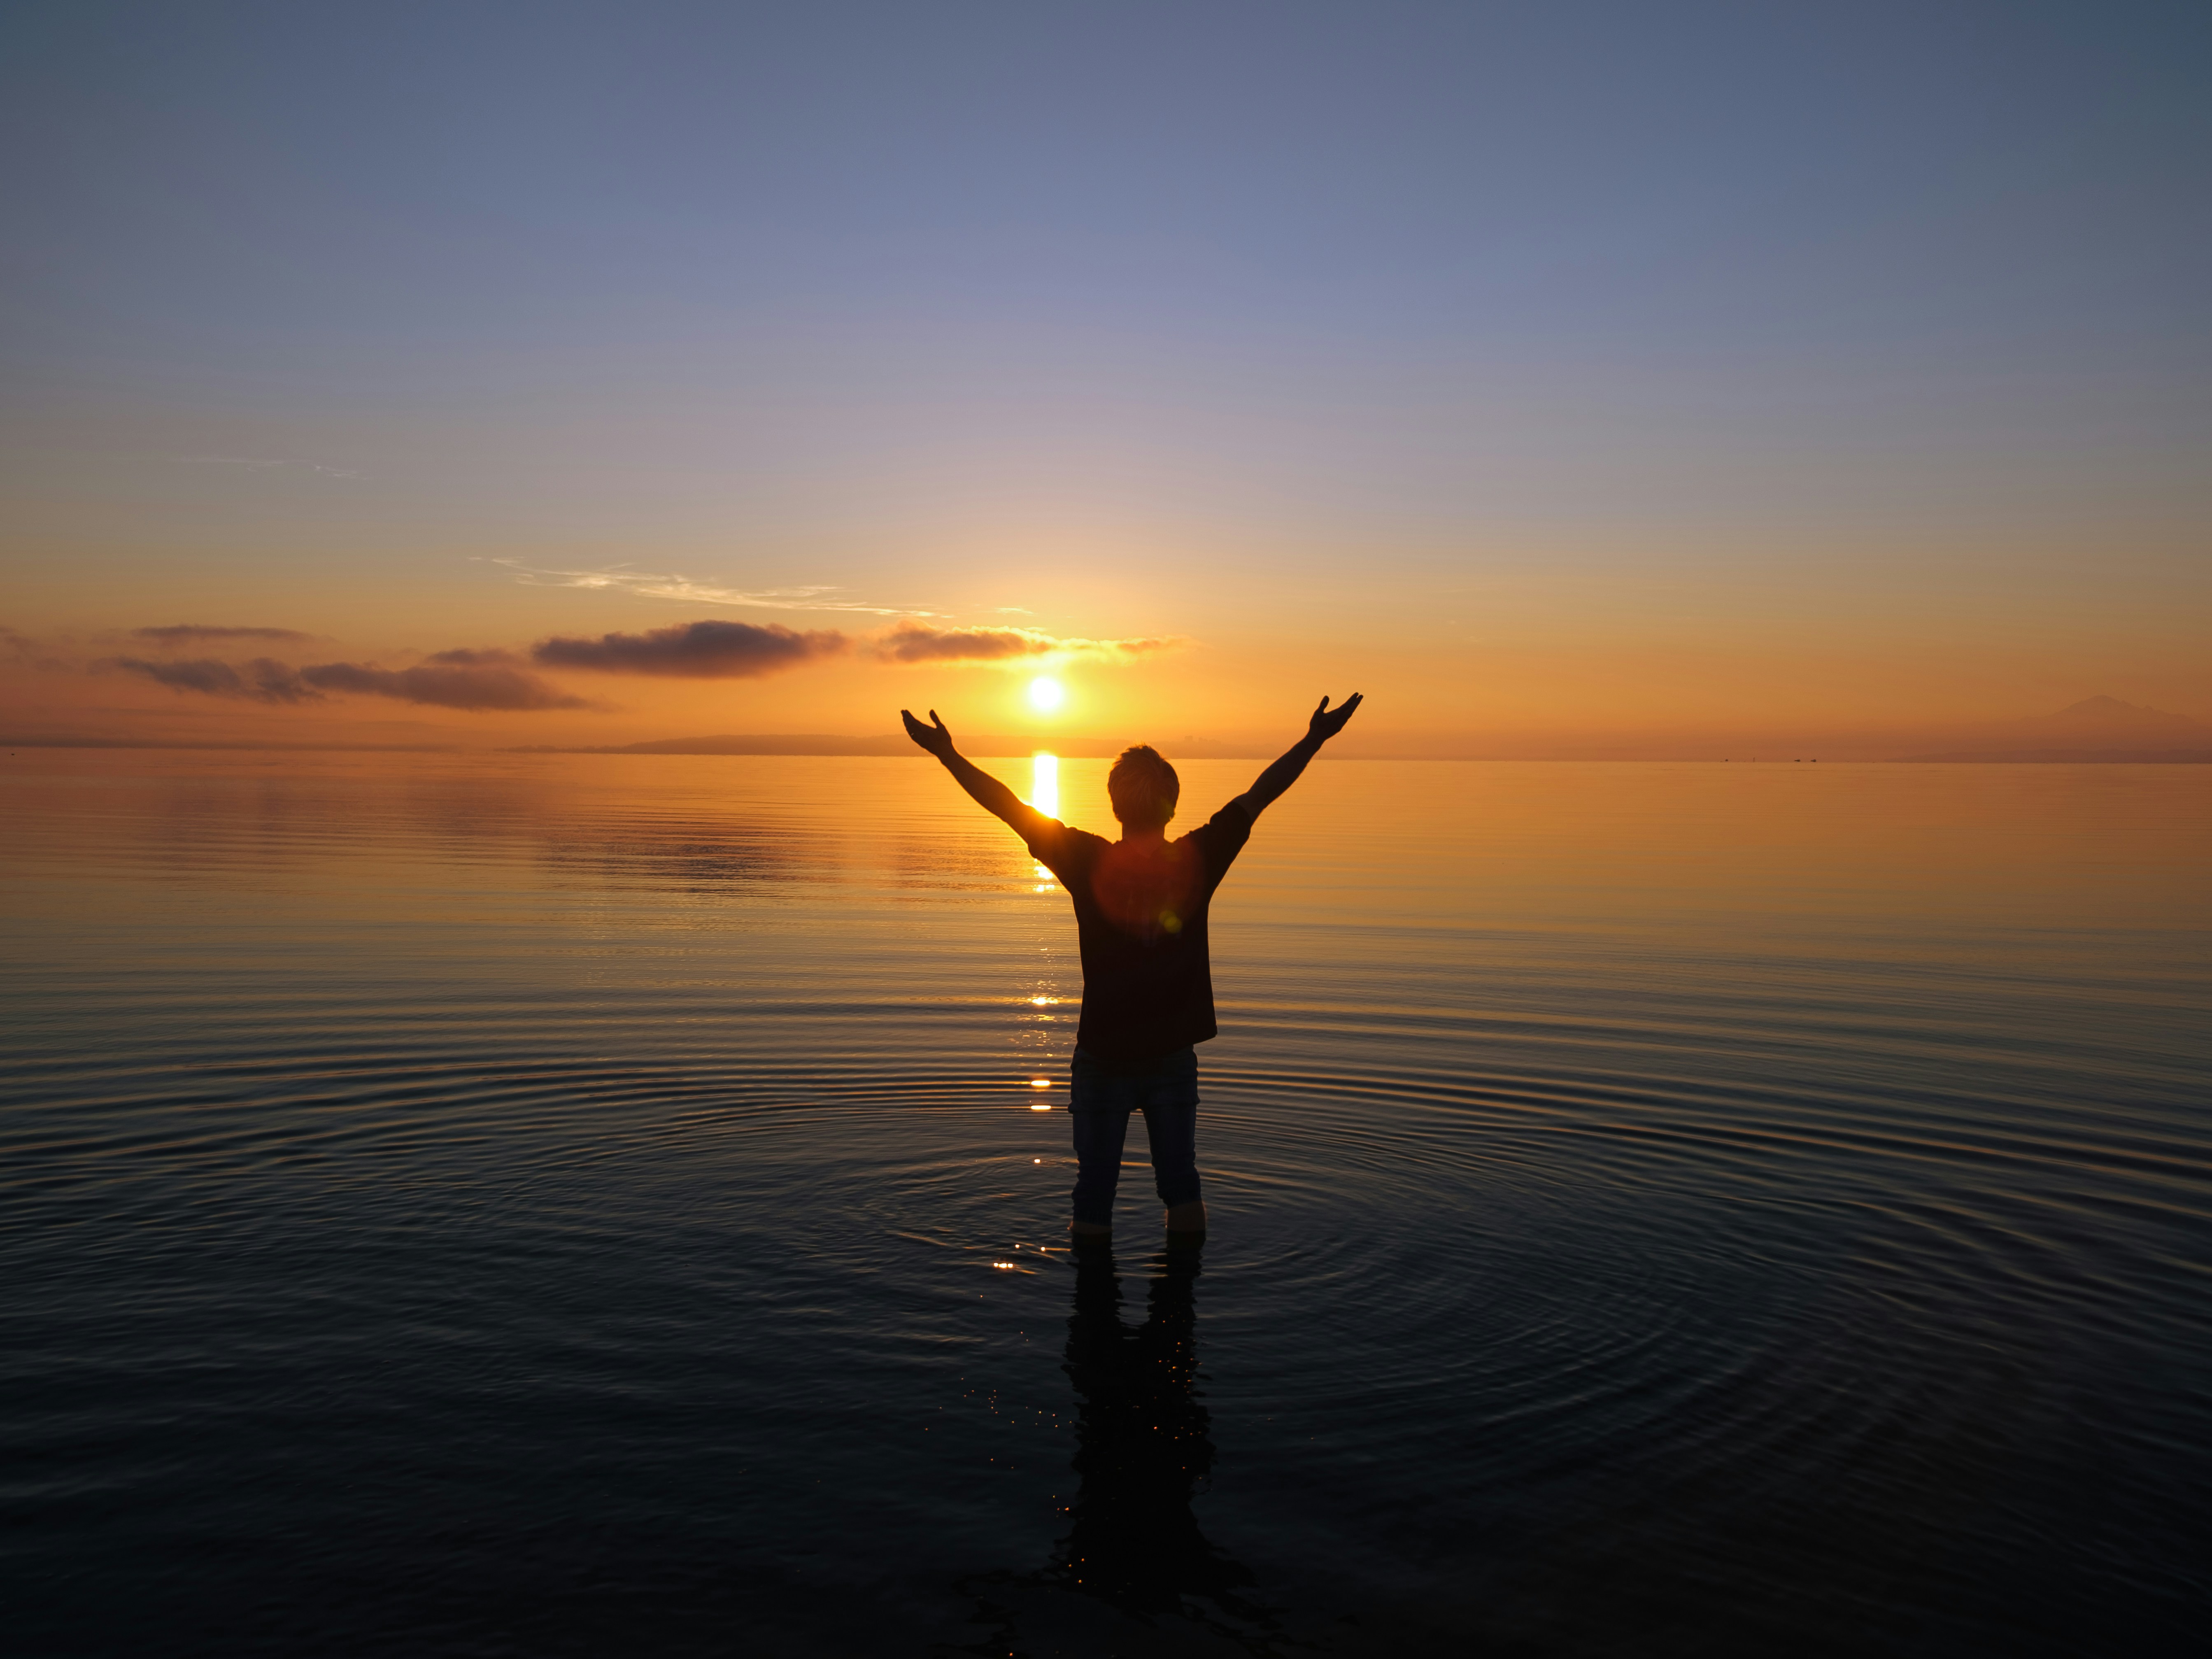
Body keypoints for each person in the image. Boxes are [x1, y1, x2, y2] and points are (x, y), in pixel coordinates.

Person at [900, 693, 1363, 1241]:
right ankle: (1180, 1308)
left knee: (1093, 1193)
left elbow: (1006, 804)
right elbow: (1259, 793)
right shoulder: (1199, 857)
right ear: (1171, 804)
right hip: (1170, 1056)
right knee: (1182, 1186)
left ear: (1115, 806)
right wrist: (1314, 739)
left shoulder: (1084, 858)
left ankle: (1091, 1310)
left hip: (1103, 1055)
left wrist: (947, 754)